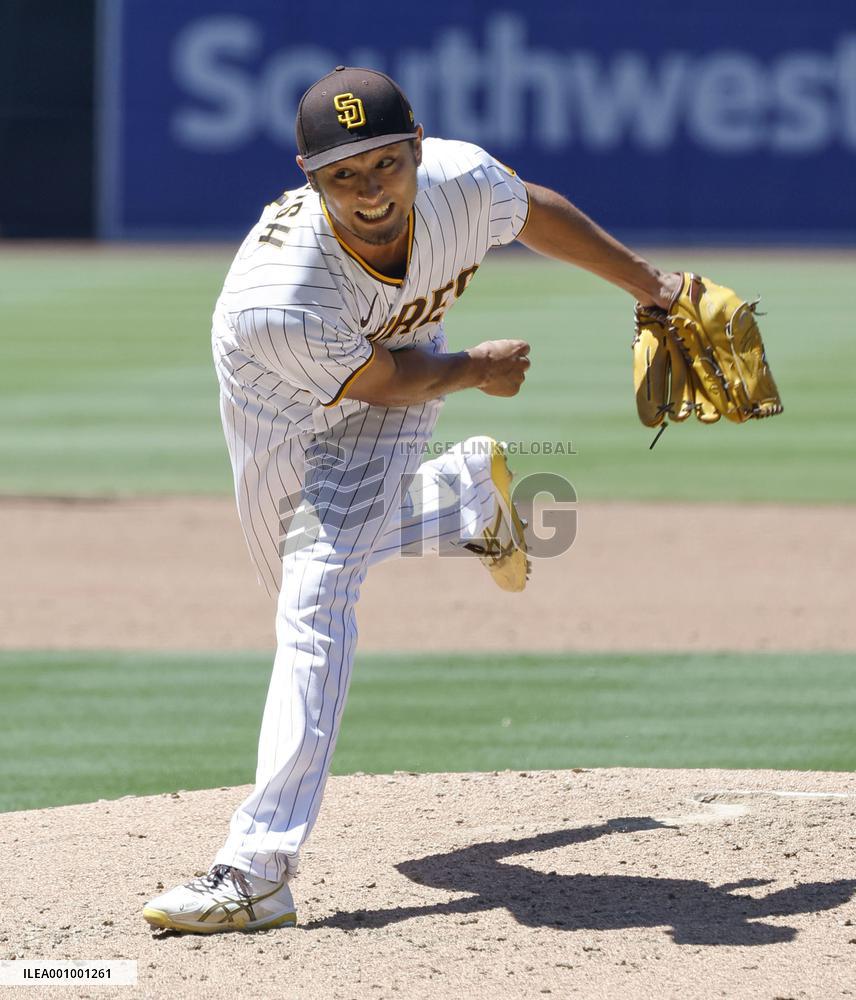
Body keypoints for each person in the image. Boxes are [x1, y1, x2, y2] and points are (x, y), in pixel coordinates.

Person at [143, 66, 680, 933]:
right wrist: (474, 370)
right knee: (296, 570)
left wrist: (655, 289)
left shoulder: (460, 182)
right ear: (308, 178)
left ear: (418, 149)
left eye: (384, 165)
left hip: (396, 372)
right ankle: (463, 498)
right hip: (282, 405)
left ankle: (255, 869)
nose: (368, 192)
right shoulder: (278, 297)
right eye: (342, 176)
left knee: (317, 590)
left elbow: (532, 208)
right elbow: (385, 382)